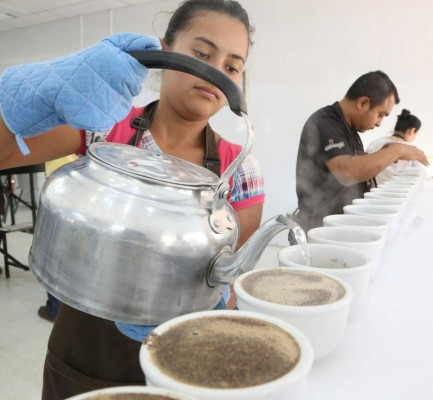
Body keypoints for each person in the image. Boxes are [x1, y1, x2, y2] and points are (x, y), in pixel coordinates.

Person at [0, 0, 264, 398]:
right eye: (201, 54)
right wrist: (42, 87)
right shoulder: (102, 126)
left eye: (231, 67)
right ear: (164, 49)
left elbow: (226, 275)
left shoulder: (238, 169)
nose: (213, 73)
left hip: (178, 356)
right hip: (83, 355)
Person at [291, 71, 429, 233]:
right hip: (317, 231)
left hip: (339, 228)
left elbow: (356, 164)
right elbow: (347, 171)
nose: (379, 123)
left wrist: (386, 154)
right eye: (380, 115)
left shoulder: (351, 132)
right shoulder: (325, 122)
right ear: (363, 103)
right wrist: (397, 149)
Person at [37, 155, 78, 323]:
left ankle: (54, 309)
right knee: (73, 256)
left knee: (53, 257)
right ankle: (69, 309)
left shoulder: (62, 132)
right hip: (83, 187)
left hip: (62, 186)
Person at [367, 109, 425, 184]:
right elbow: (421, 178)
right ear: (412, 131)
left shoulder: (374, 143)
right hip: (399, 194)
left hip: (369, 193)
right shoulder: (412, 151)